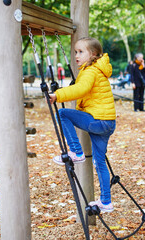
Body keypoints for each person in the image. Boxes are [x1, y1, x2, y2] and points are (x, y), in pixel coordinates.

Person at [49, 37, 116, 213]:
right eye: (76, 52)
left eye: (80, 52)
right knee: (99, 162)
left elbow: (81, 89)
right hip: (108, 122)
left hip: (98, 120)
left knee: (62, 113)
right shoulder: (99, 70)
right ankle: (106, 202)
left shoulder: (90, 71)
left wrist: (58, 95)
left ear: (92, 54)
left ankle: (76, 152)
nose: (76, 55)